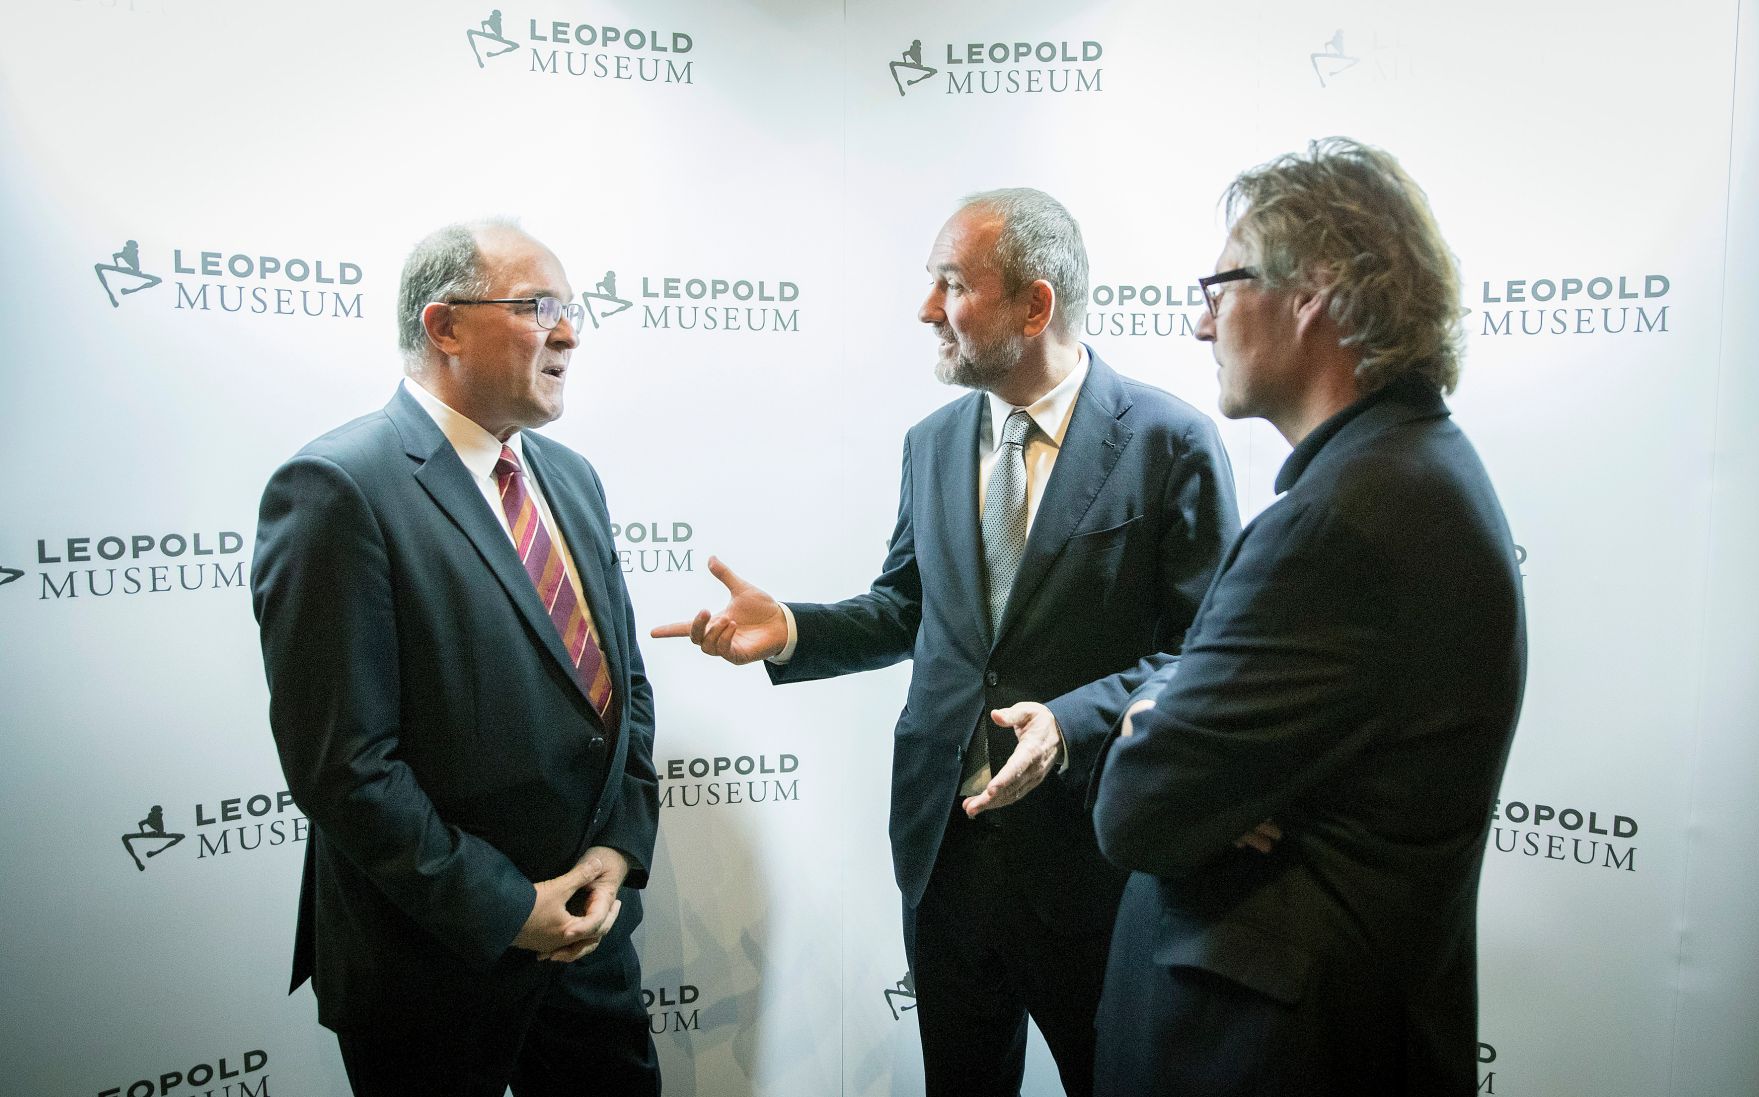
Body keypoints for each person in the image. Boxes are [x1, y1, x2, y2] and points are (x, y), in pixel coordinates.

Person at [654, 189, 1238, 1097]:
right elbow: (904, 608)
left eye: (952, 284)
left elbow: (1202, 658)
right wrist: (794, 629)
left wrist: (1072, 723)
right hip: (946, 862)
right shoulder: (931, 443)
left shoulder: (1169, 442)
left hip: (1096, 865)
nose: (928, 308)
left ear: (1035, 305)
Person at [1090, 138, 1526, 1096]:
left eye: (1221, 284)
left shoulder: (1341, 520)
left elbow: (1140, 808)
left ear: (1312, 290)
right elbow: (1184, 757)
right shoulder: (1406, 470)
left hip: (1269, 1054)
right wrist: (1176, 719)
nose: (1203, 325)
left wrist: (1161, 731)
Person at [251, 219, 660, 1097]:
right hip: (431, 969)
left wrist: (619, 850)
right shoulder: (337, 487)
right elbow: (346, 769)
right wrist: (513, 909)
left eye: (572, 308)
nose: (570, 332)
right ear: (444, 327)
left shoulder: (571, 476)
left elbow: (620, 685)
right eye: (539, 306)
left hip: (590, 951)